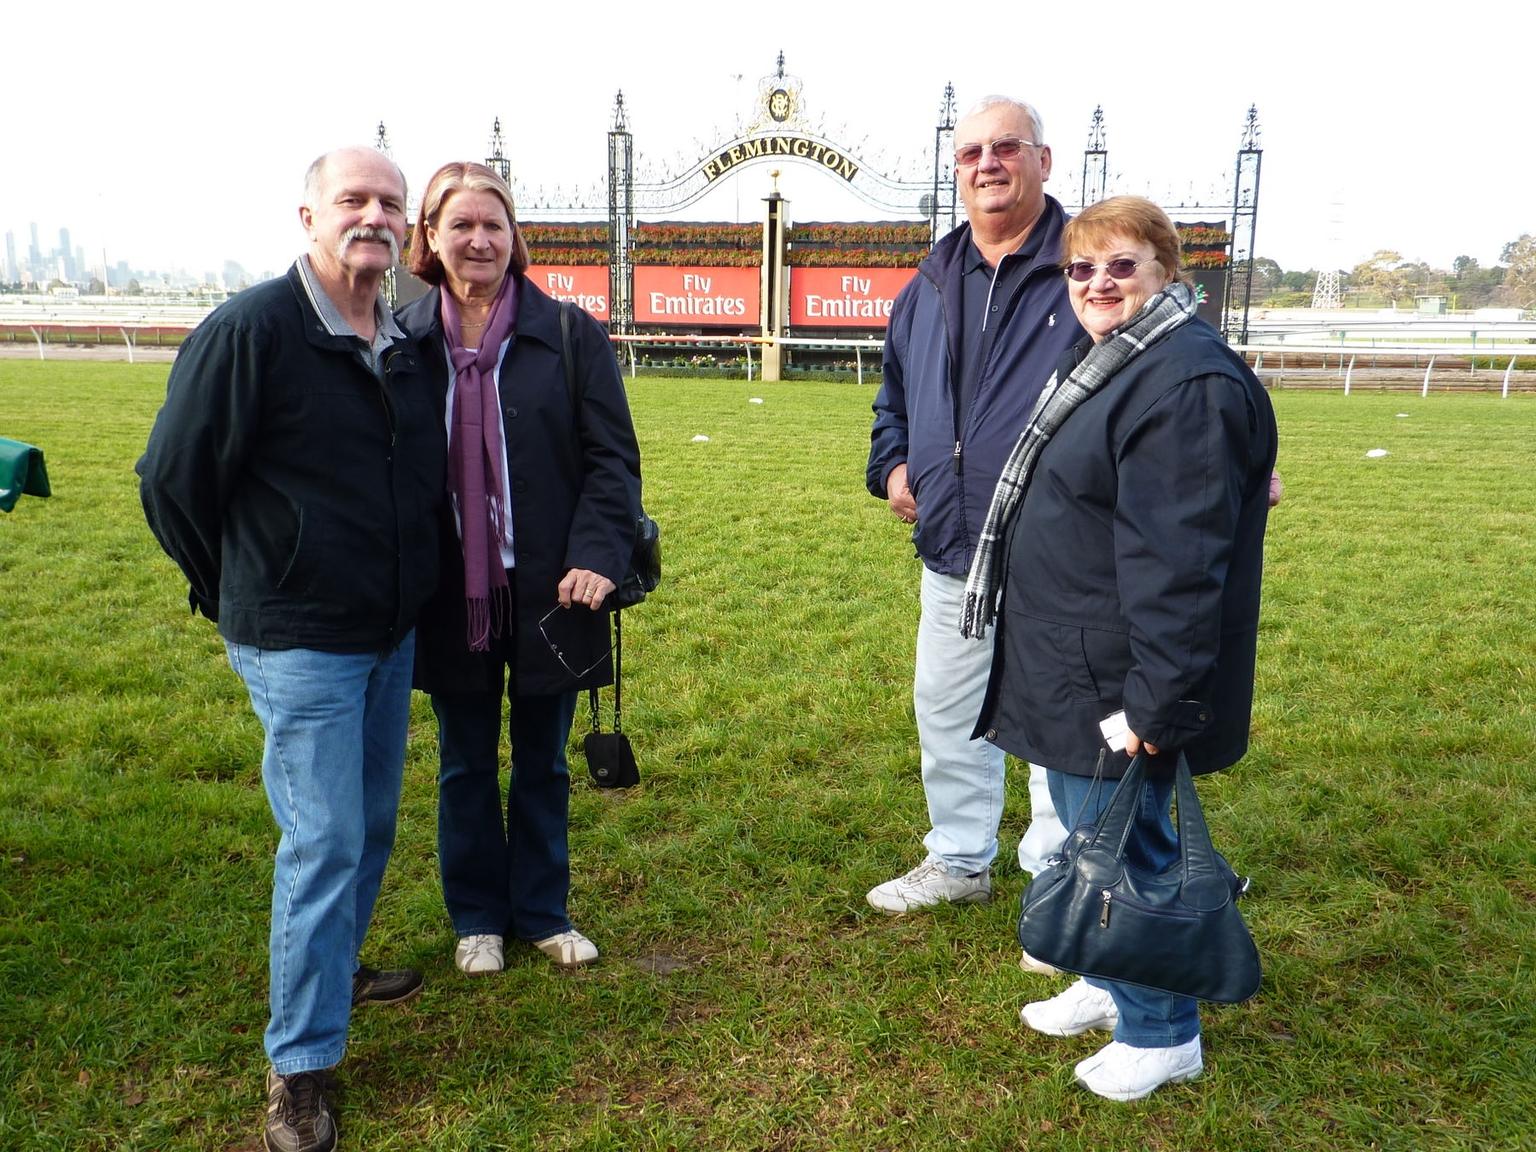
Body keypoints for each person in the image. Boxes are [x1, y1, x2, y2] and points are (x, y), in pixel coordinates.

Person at [137, 146, 443, 1152]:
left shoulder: (396, 335)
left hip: (386, 634)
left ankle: (336, 967)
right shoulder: (251, 331)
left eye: (391, 204)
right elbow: (171, 480)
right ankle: (300, 1067)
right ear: (306, 216)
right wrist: (232, 595)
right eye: (353, 199)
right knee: (322, 843)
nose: (375, 216)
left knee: (369, 826)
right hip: (301, 640)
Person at [962, 195, 1277, 1101]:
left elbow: (1180, 563)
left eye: (1121, 265)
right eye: (1081, 269)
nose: (1097, 283)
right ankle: (1109, 982)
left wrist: (1156, 701)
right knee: (1090, 834)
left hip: (1117, 674)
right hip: (1074, 657)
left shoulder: (1183, 381)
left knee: (1128, 847)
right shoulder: (1116, 361)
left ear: (1168, 273)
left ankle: (1162, 1031)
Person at [396, 162, 641, 978]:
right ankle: (476, 917)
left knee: (543, 759)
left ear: (514, 238)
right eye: (460, 224)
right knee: (464, 760)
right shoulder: (401, 342)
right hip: (448, 594)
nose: (478, 239)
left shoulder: (570, 335)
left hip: (551, 591)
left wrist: (597, 555)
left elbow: (613, 461)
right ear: (429, 237)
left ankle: (541, 909)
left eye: (493, 224)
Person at [865, 96, 1079, 917]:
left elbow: (1170, 363)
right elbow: (894, 400)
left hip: (1061, 549)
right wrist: (891, 469)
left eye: (1006, 147)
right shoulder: (930, 279)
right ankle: (959, 859)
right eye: (971, 153)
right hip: (954, 544)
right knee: (948, 709)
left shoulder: (1084, 265)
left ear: (1043, 161)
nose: (987, 163)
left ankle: (1059, 871)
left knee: (1058, 718)